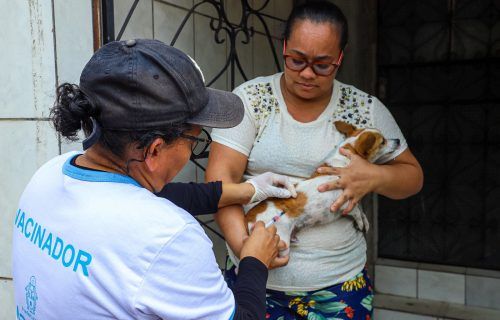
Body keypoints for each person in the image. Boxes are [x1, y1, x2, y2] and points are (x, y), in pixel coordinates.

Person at [12, 39, 297, 320]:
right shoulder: (169, 236)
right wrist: (255, 261)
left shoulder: (49, 173)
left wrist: (251, 190)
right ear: (154, 149)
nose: (190, 153)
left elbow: (163, 197)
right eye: (194, 142)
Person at [206, 2, 424, 319]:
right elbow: (219, 182)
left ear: (339, 58)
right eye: (296, 60)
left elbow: (412, 177)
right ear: (284, 48)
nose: (307, 73)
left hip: (338, 287)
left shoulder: (363, 109)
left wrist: (373, 177)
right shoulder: (252, 100)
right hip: (255, 284)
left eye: (322, 65)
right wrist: (245, 250)